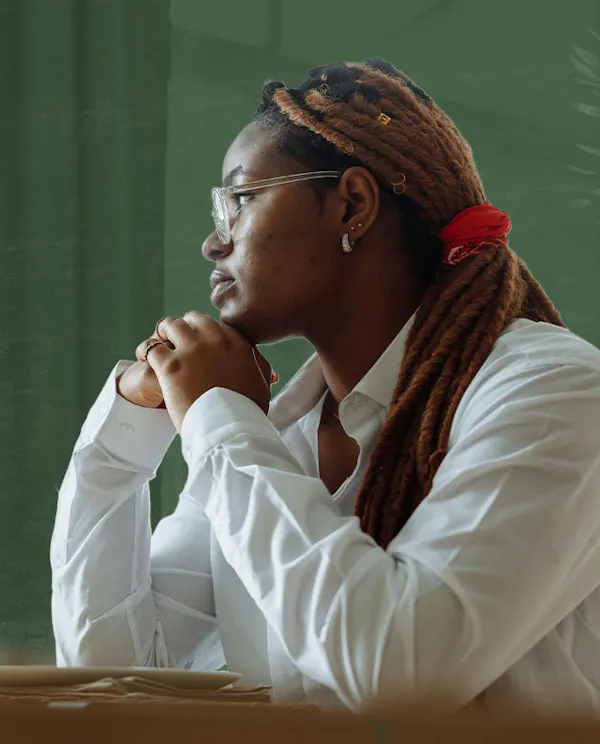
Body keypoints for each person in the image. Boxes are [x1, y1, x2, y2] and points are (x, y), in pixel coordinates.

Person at [51, 58, 600, 714]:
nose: (212, 243)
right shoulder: (271, 435)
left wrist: (220, 420)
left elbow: (398, 672)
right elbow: (116, 681)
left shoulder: (553, 395)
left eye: (239, 200)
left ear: (353, 205)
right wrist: (123, 436)